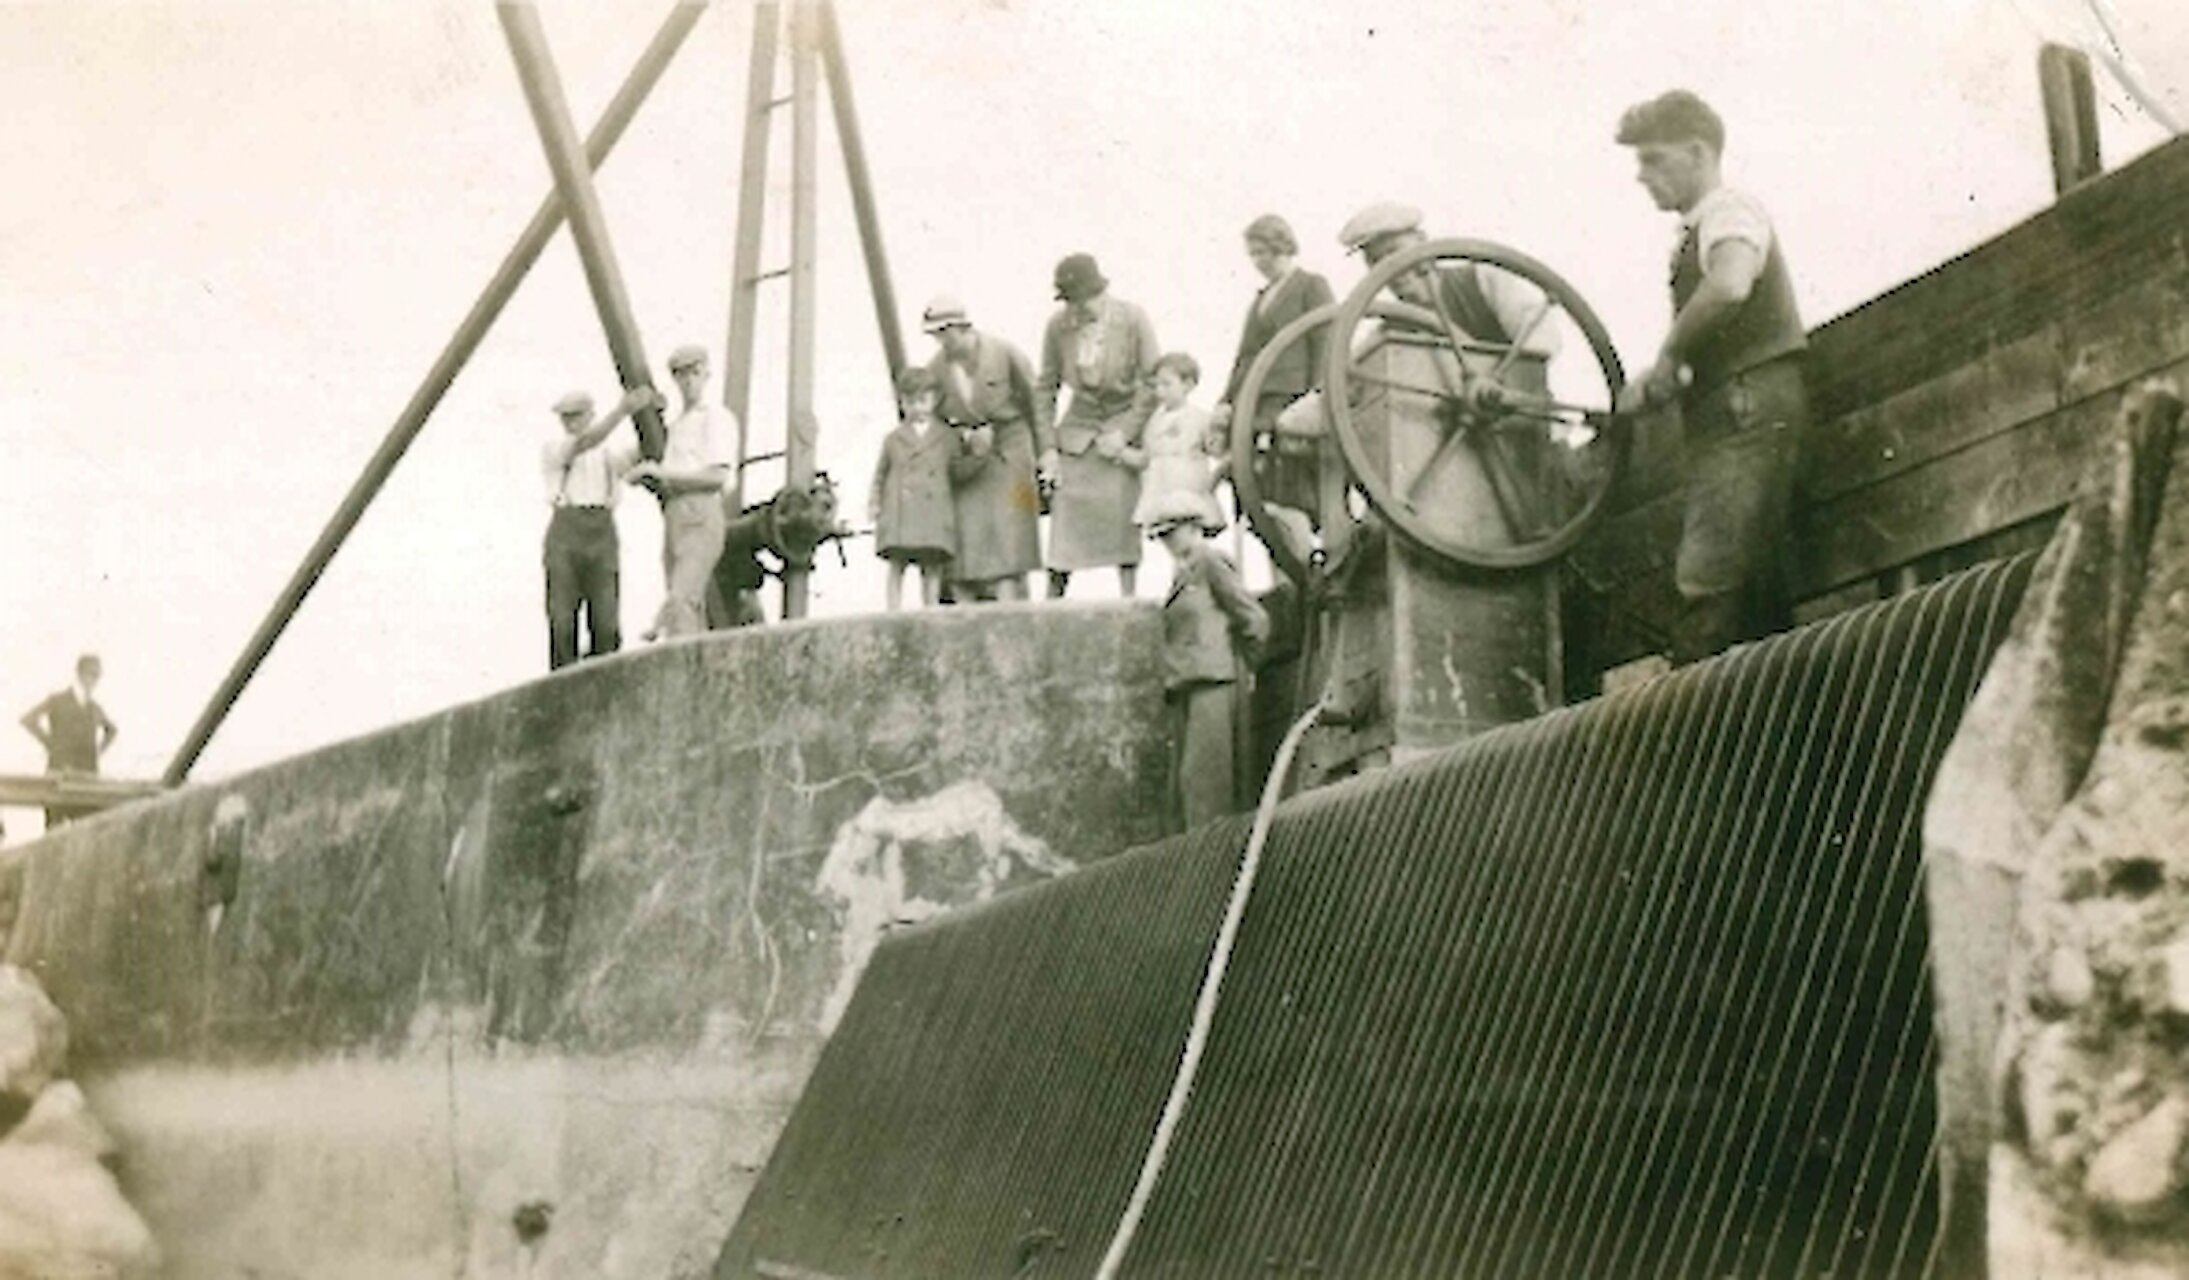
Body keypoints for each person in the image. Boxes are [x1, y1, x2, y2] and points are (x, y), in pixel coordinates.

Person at [1614, 89, 1809, 663]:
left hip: (1746, 407)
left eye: (1654, 160)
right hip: (1736, 406)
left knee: (1706, 584)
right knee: (1753, 600)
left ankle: (1688, 746)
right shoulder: (1699, 228)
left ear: (1698, 153)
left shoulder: (1728, 211)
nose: (1642, 177)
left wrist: (1670, 357)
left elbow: (1729, 284)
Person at [1038, 253, 1159, 599]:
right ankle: (1053, 598)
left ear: (1099, 291)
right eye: (1070, 302)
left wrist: (1126, 433)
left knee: (1123, 510)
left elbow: (1151, 381)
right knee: (1065, 509)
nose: (1077, 309)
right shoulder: (1057, 326)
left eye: (1083, 300)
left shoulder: (1133, 319)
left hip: (1120, 427)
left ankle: (1129, 597)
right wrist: (1047, 447)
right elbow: (1045, 386)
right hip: (1078, 429)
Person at [1211, 215, 1335, 552]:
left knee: (1294, 488)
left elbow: (1325, 343)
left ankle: (1313, 557)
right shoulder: (1261, 299)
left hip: (1293, 399)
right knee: (1258, 489)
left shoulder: (1311, 285)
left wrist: (1315, 396)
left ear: (1281, 246)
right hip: (1255, 402)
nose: (1257, 262)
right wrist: (1226, 400)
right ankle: (1283, 565)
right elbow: (1245, 356)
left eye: (1262, 252)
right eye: (1252, 254)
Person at [1147, 494, 1268, 829]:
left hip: (1213, 682)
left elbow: (1254, 619)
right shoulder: (1184, 572)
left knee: (1207, 786)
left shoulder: (1211, 563)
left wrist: (1246, 667)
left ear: (1193, 527)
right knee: (1189, 787)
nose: (1167, 543)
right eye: (1162, 536)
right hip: (1189, 685)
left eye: (1172, 533)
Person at [923, 296, 1048, 602]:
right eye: (936, 334)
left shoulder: (1004, 353)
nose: (941, 341)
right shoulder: (937, 368)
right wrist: (964, 438)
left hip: (1012, 448)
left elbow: (1037, 404)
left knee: (1013, 532)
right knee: (968, 539)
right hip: (972, 456)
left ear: (961, 327)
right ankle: (971, 608)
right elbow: (935, 419)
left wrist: (1047, 453)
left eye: (945, 332)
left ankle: (1014, 605)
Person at [540, 385, 654, 670]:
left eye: (576, 416)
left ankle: (604, 685)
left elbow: (642, 452)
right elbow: (585, 442)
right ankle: (563, 688)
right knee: (562, 623)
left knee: (606, 624)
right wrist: (622, 411)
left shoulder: (609, 452)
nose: (570, 423)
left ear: (591, 414)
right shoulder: (555, 448)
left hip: (602, 534)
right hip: (565, 535)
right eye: (565, 417)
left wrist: (652, 414)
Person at [628, 344, 736, 639]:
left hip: (701, 513)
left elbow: (717, 476)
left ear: (706, 373)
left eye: (695, 373)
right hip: (675, 518)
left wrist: (663, 474)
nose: (689, 381)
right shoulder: (678, 426)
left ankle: (684, 673)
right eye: (682, 375)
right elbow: (668, 477)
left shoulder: (715, 416)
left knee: (681, 599)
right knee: (685, 606)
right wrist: (652, 477)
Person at [869, 366, 957, 610]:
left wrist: (979, 452)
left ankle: (930, 607)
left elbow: (960, 470)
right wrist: (875, 503)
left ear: (934, 400)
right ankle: (893, 609)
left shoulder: (948, 437)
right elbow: (880, 474)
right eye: (910, 401)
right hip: (900, 512)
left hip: (933, 511)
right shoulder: (893, 439)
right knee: (897, 563)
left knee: (932, 564)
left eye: (922, 400)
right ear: (901, 402)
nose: (916, 407)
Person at [20, 655, 117, 829]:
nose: (93, 680)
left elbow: (112, 731)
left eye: (97, 676)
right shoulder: (57, 700)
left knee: (86, 830)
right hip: (59, 774)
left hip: (86, 778)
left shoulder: (94, 708)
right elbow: (28, 720)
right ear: (80, 674)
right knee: (54, 828)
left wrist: (98, 752)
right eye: (91, 674)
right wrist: (50, 744)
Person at [1130, 352, 1224, 533]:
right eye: (1156, 385)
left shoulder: (1200, 418)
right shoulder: (1154, 420)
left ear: (1187, 385)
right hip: (1161, 489)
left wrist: (1219, 431)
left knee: (1189, 534)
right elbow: (1148, 456)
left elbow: (1215, 450)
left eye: (1166, 384)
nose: (1160, 391)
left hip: (1188, 489)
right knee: (1171, 538)